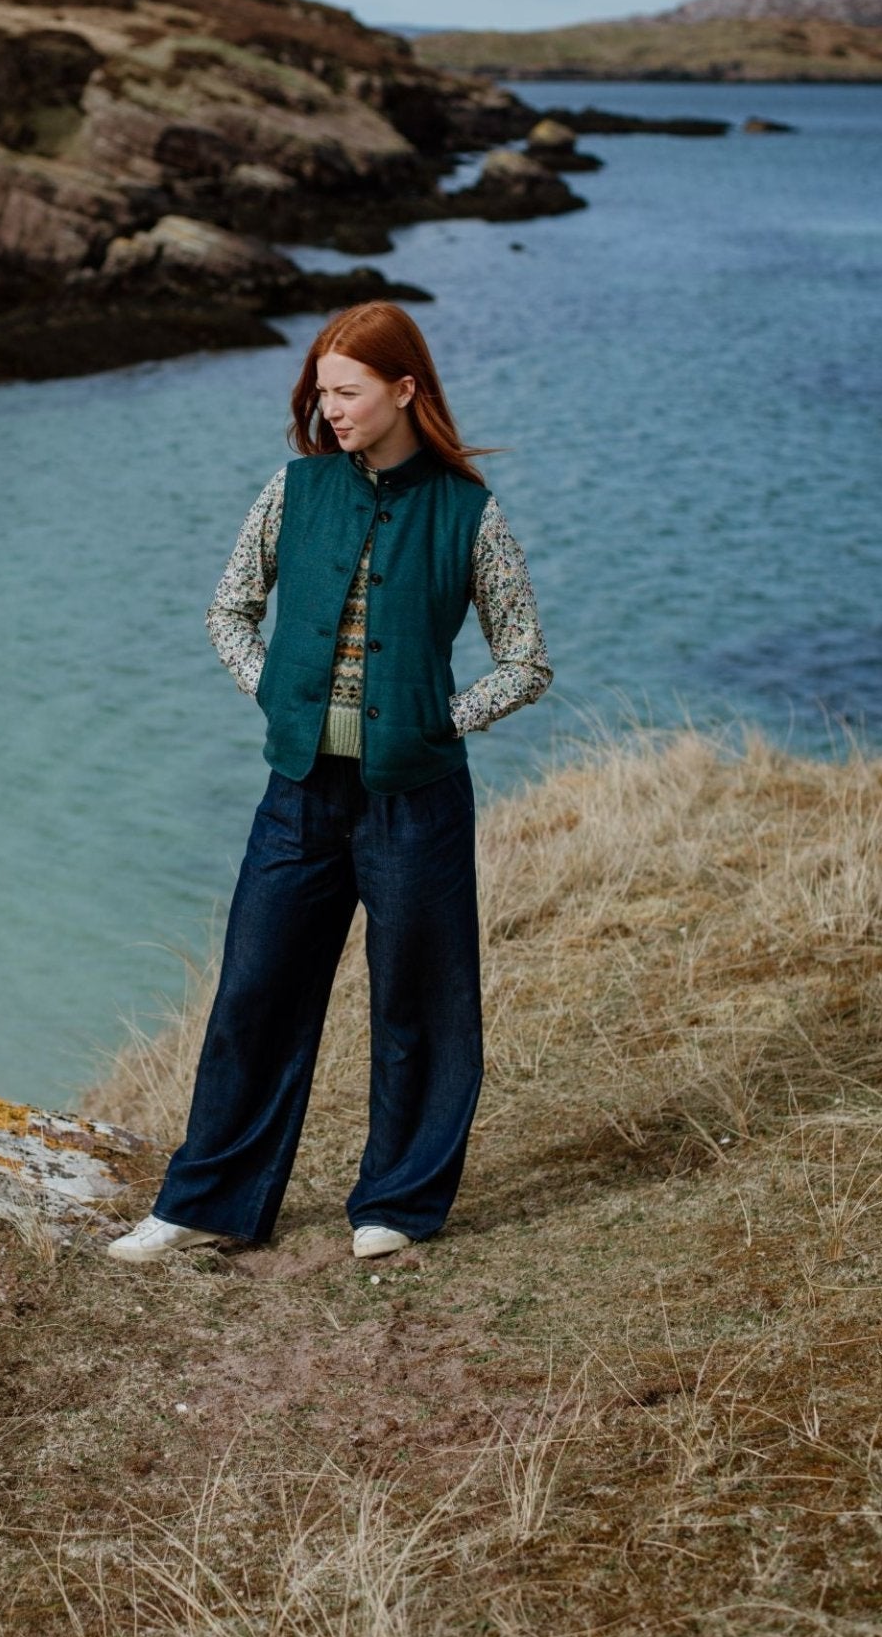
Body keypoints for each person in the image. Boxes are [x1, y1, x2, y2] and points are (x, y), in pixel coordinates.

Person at [106, 301, 553, 1265]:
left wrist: (442, 719)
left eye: (348, 392)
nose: (331, 409)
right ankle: (207, 1202)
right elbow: (229, 609)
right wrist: (274, 692)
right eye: (322, 392)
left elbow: (526, 660)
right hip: (299, 795)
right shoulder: (294, 490)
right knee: (254, 992)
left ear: (405, 389)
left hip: (417, 800)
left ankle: (398, 1203)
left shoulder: (468, 513)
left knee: (419, 1004)